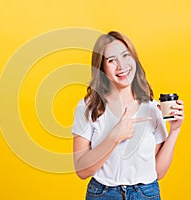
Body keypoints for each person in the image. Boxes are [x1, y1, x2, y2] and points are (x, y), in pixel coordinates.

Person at [72, 31, 184, 200]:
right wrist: (114, 137)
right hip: (103, 194)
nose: (121, 65)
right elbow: (81, 170)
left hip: (146, 194)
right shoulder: (88, 108)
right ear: (101, 68)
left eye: (126, 56)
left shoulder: (152, 108)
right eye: (111, 60)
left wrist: (175, 130)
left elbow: (159, 172)